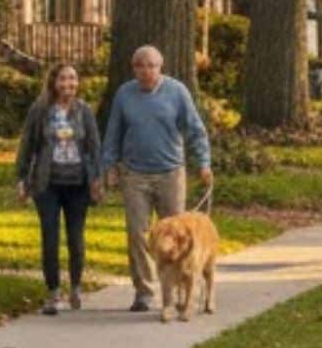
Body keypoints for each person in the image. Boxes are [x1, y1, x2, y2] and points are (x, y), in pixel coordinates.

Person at [100, 43, 212, 313]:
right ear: (134, 68)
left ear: (160, 67)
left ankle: (177, 289)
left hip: (170, 172)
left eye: (152, 66)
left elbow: (195, 129)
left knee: (176, 235)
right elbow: (113, 133)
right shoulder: (125, 94)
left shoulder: (177, 92)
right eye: (141, 66)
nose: (146, 71)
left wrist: (204, 163)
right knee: (138, 233)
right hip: (134, 174)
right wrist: (109, 166)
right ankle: (144, 292)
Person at [15, 63, 105, 313]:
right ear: (54, 82)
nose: (69, 84)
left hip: (78, 183)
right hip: (47, 183)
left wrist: (97, 179)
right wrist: (21, 179)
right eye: (64, 79)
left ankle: (76, 287)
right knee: (50, 237)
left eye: (73, 79)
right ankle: (53, 291)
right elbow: (27, 146)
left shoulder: (84, 111)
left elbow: (94, 147)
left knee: (76, 238)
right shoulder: (40, 110)